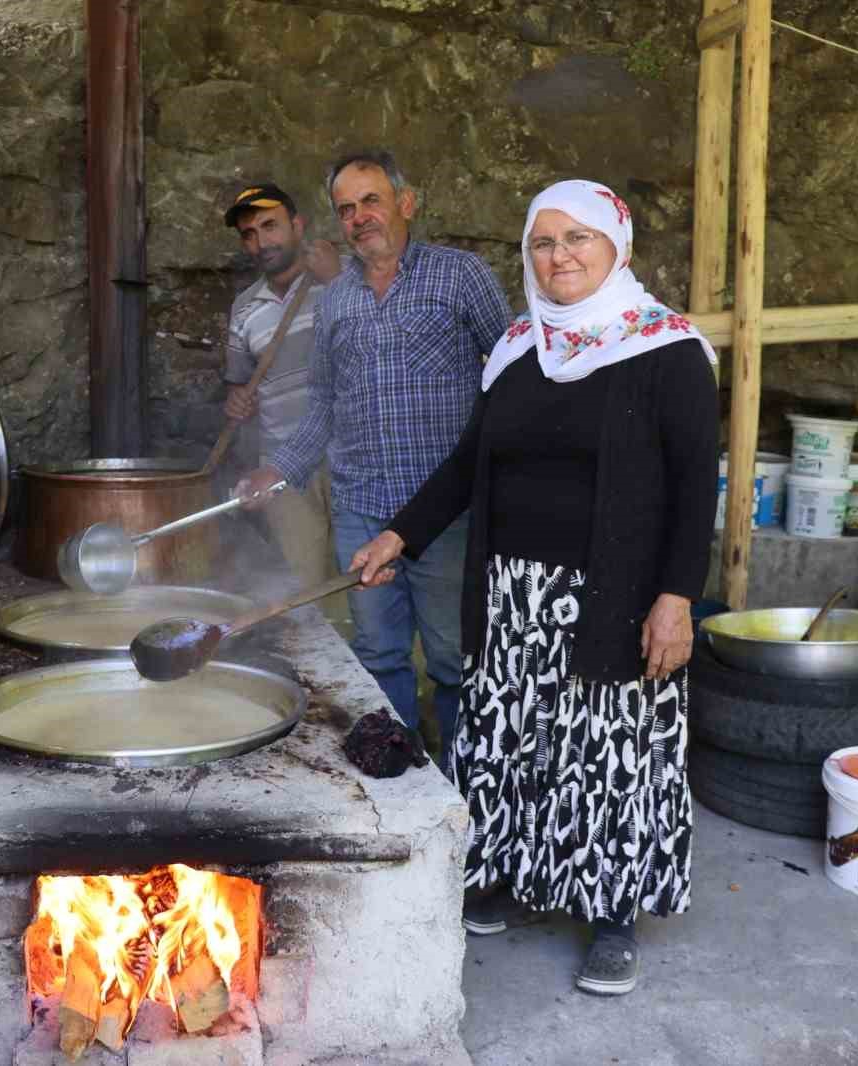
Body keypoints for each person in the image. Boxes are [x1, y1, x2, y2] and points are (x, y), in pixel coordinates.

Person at [349, 179, 719, 997]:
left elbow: (699, 487)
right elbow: (466, 465)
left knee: (607, 754)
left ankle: (613, 914)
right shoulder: (520, 348)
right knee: (510, 741)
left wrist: (676, 598)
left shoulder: (665, 348)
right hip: (513, 592)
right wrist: (399, 534)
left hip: (616, 595)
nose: (559, 257)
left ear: (616, 246)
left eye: (578, 239)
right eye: (543, 243)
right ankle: (504, 876)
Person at [236, 151, 512, 759]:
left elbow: (513, 381)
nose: (359, 218)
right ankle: (402, 772)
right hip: (362, 509)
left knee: (453, 659)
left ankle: (467, 786)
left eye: (371, 201)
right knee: (380, 656)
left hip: (446, 515)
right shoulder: (334, 301)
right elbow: (325, 408)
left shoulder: (461, 276)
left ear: (405, 203)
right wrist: (278, 471)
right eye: (346, 208)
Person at [221, 183, 342, 588]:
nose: (261, 242)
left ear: (297, 224)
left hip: (351, 463)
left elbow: (383, 346)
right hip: (283, 471)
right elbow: (240, 388)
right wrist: (237, 402)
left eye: (270, 226)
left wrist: (339, 280)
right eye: (249, 234)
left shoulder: (341, 279)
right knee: (304, 595)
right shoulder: (244, 309)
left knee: (362, 590)